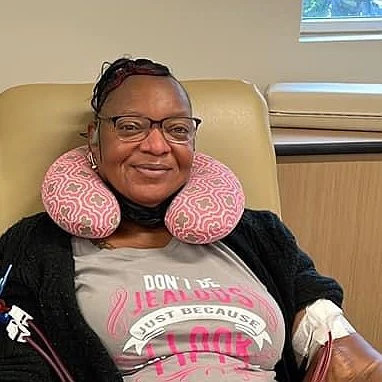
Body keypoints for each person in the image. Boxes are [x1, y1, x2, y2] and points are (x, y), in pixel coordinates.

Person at [0, 57, 381, 382]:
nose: (156, 145)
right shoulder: (35, 247)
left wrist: (358, 363)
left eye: (177, 129)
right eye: (130, 126)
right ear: (94, 139)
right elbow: (17, 361)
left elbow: (330, 334)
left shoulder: (259, 235)